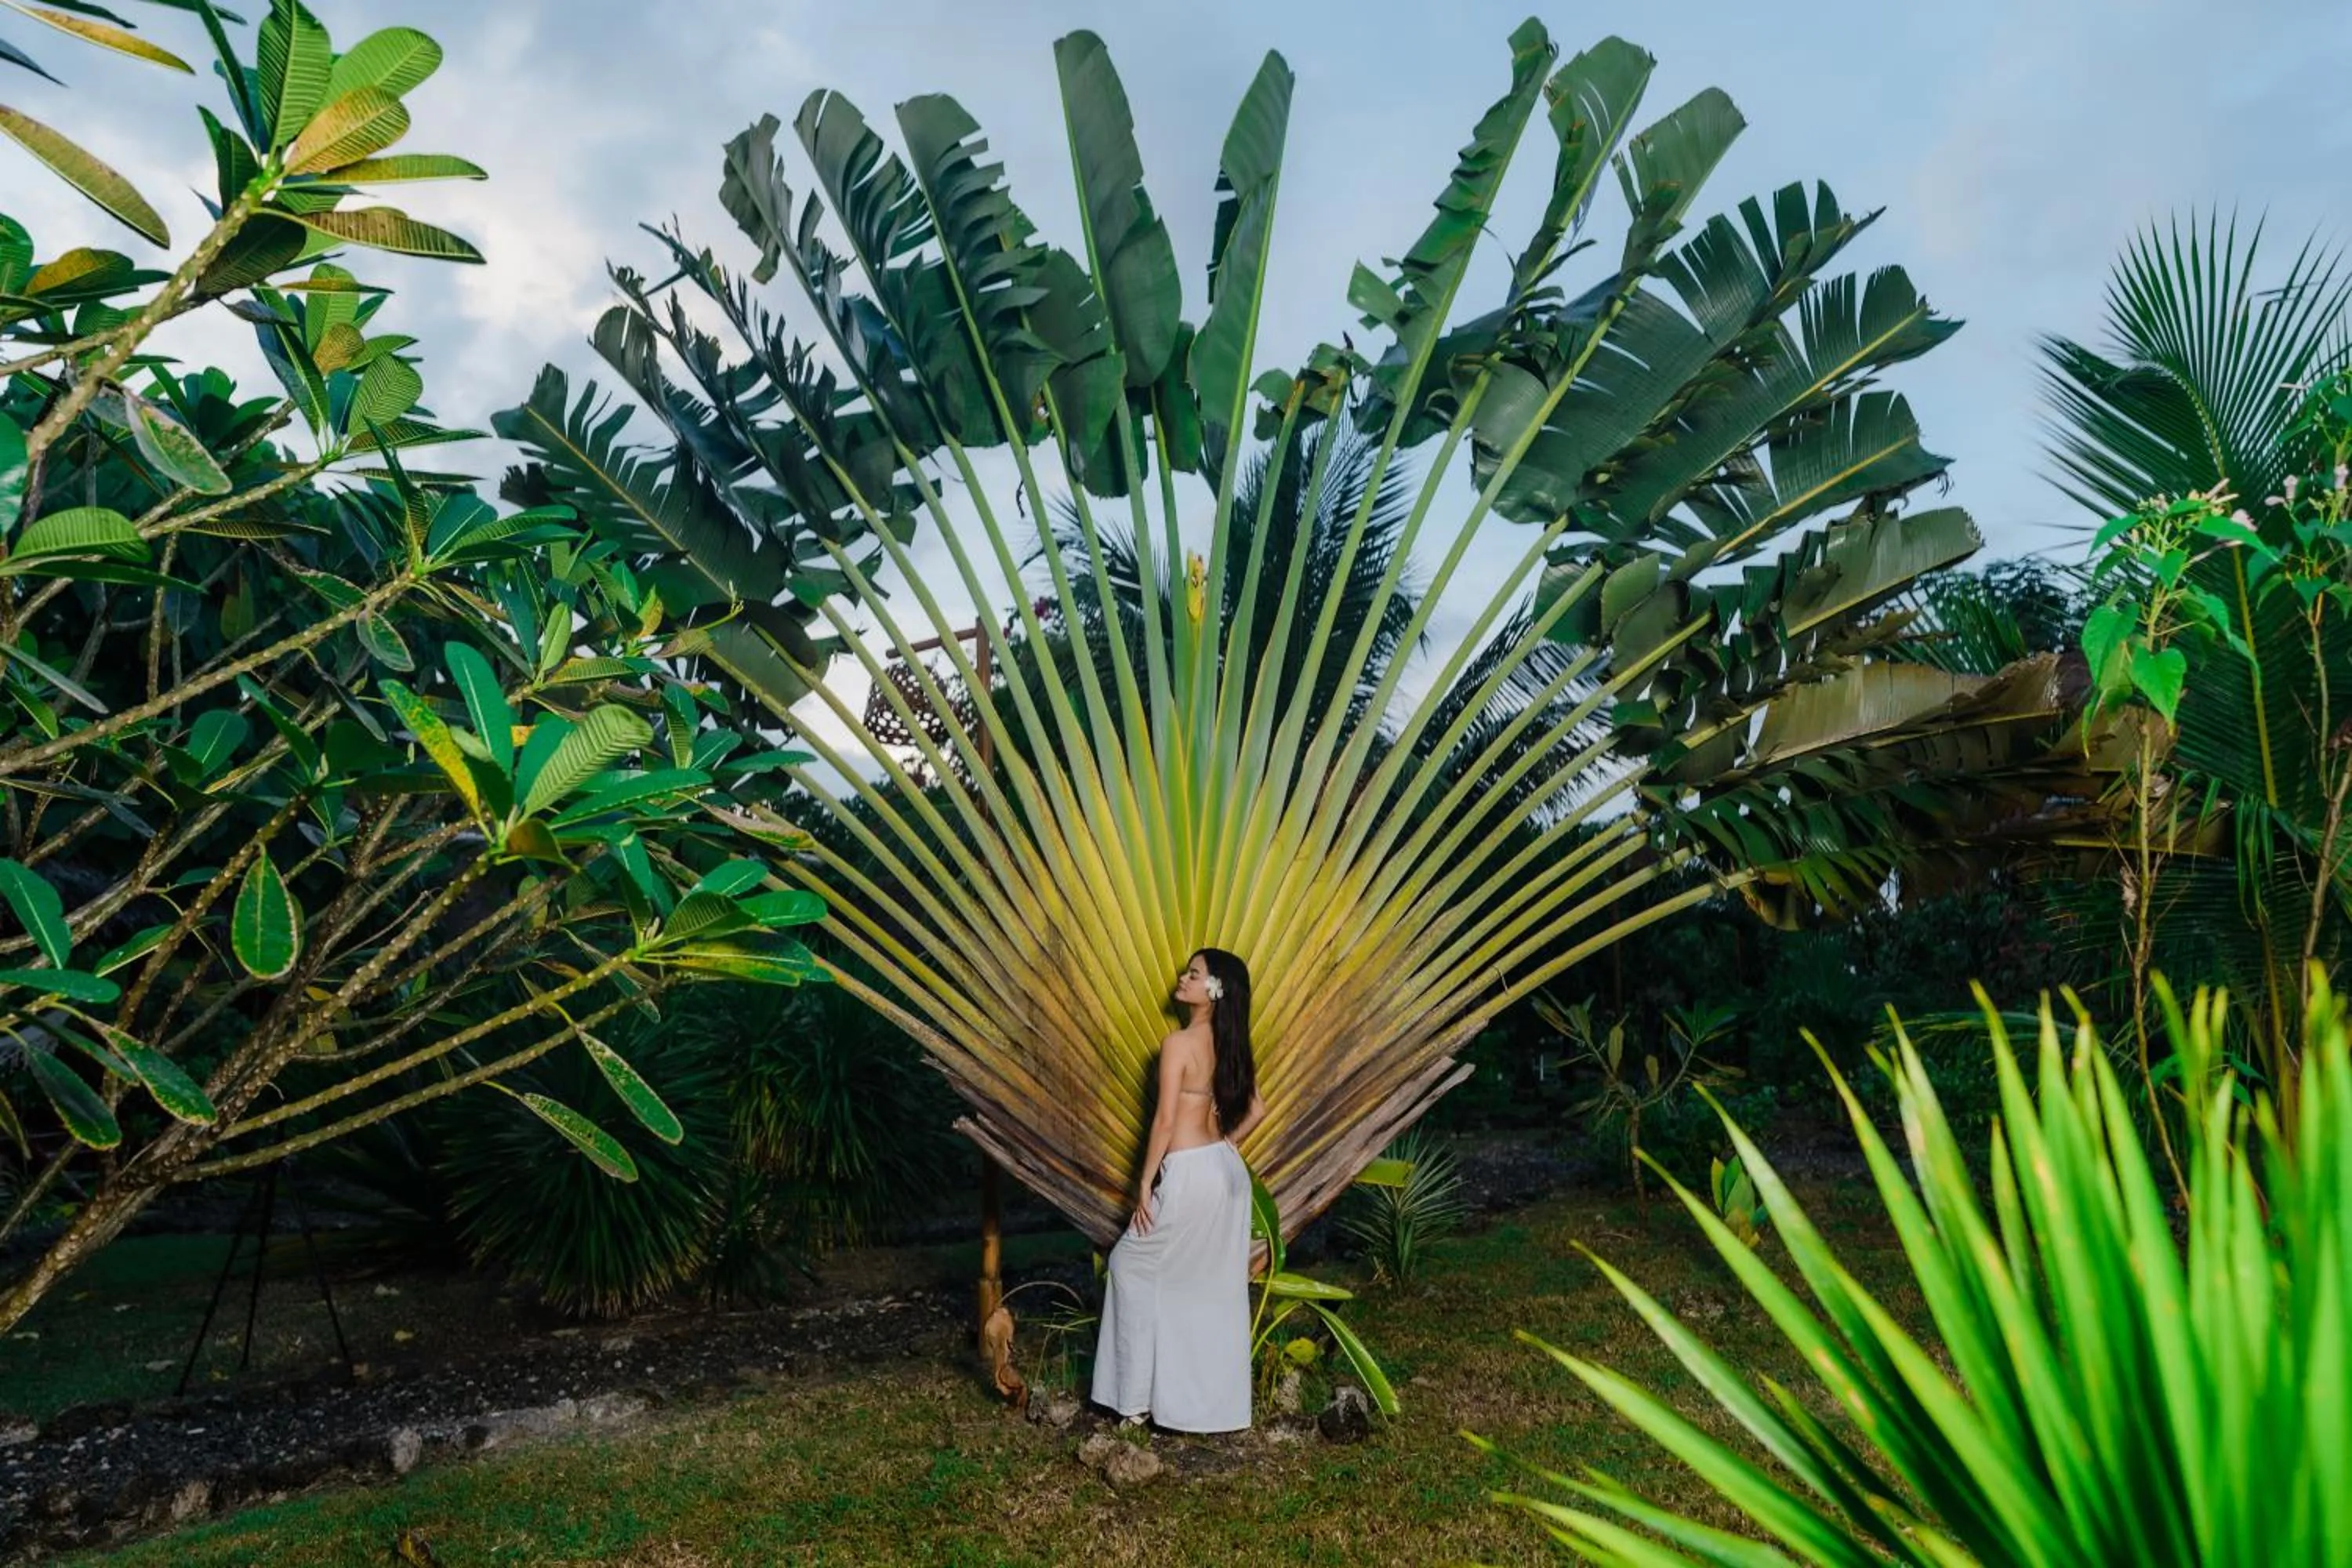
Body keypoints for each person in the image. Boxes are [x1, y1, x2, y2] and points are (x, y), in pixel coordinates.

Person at [1091, 947, 1266, 1433]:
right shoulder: (1230, 1041)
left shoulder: (1178, 1044)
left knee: (1128, 1266)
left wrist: (1146, 1182)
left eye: (1194, 974)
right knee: (1208, 1286)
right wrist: (1224, 1146)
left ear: (1214, 991)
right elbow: (1258, 1109)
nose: (1183, 979)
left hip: (1189, 1172)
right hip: (1225, 1171)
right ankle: (1196, 1404)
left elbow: (1166, 1120)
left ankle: (1135, 1403)